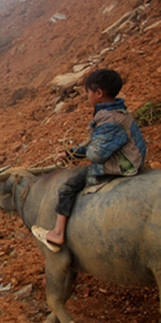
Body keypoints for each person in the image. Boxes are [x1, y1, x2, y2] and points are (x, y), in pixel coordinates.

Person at [33, 69, 147, 252]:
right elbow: (100, 144)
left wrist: (84, 151)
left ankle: (58, 232)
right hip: (132, 156)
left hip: (123, 165)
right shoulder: (117, 110)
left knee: (68, 187)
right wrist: (72, 153)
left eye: (88, 92)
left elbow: (96, 154)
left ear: (99, 93)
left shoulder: (109, 120)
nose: (87, 96)